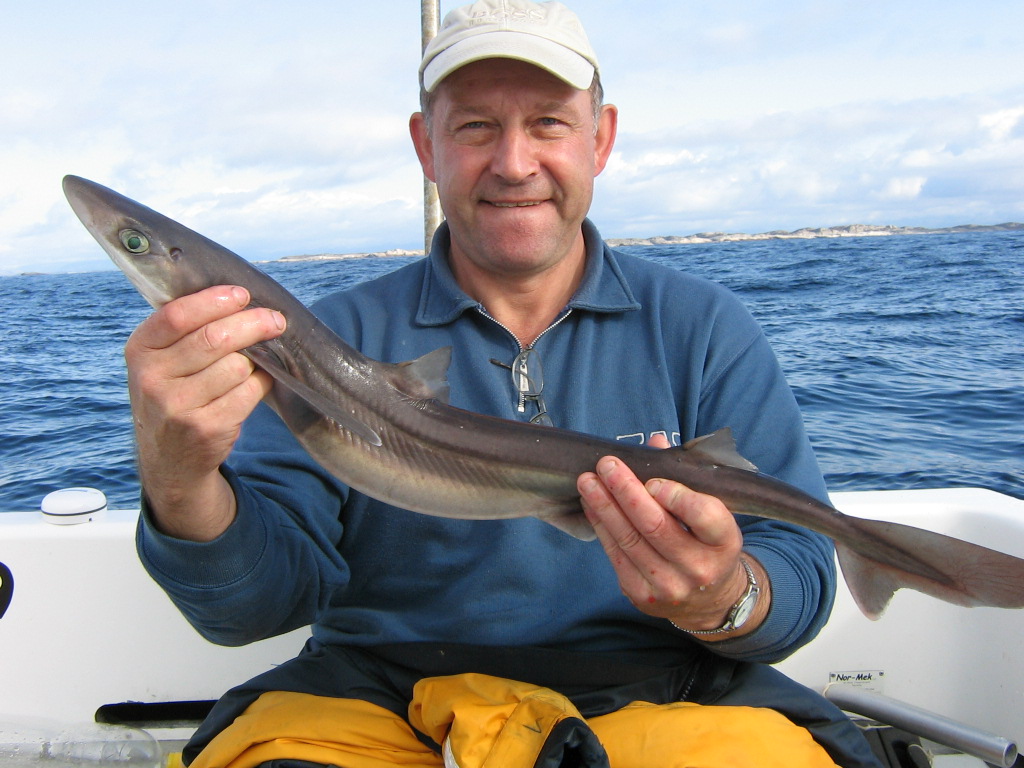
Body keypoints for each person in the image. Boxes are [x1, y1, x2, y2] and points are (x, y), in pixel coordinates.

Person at [129, 1, 880, 766]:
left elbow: (797, 575)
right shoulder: (329, 342)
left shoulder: (703, 327)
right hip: (380, 703)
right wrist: (179, 479)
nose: (514, 163)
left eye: (549, 123)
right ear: (426, 146)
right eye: (476, 127)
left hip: (660, 694)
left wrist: (724, 597)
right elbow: (249, 609)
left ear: (601, 138)